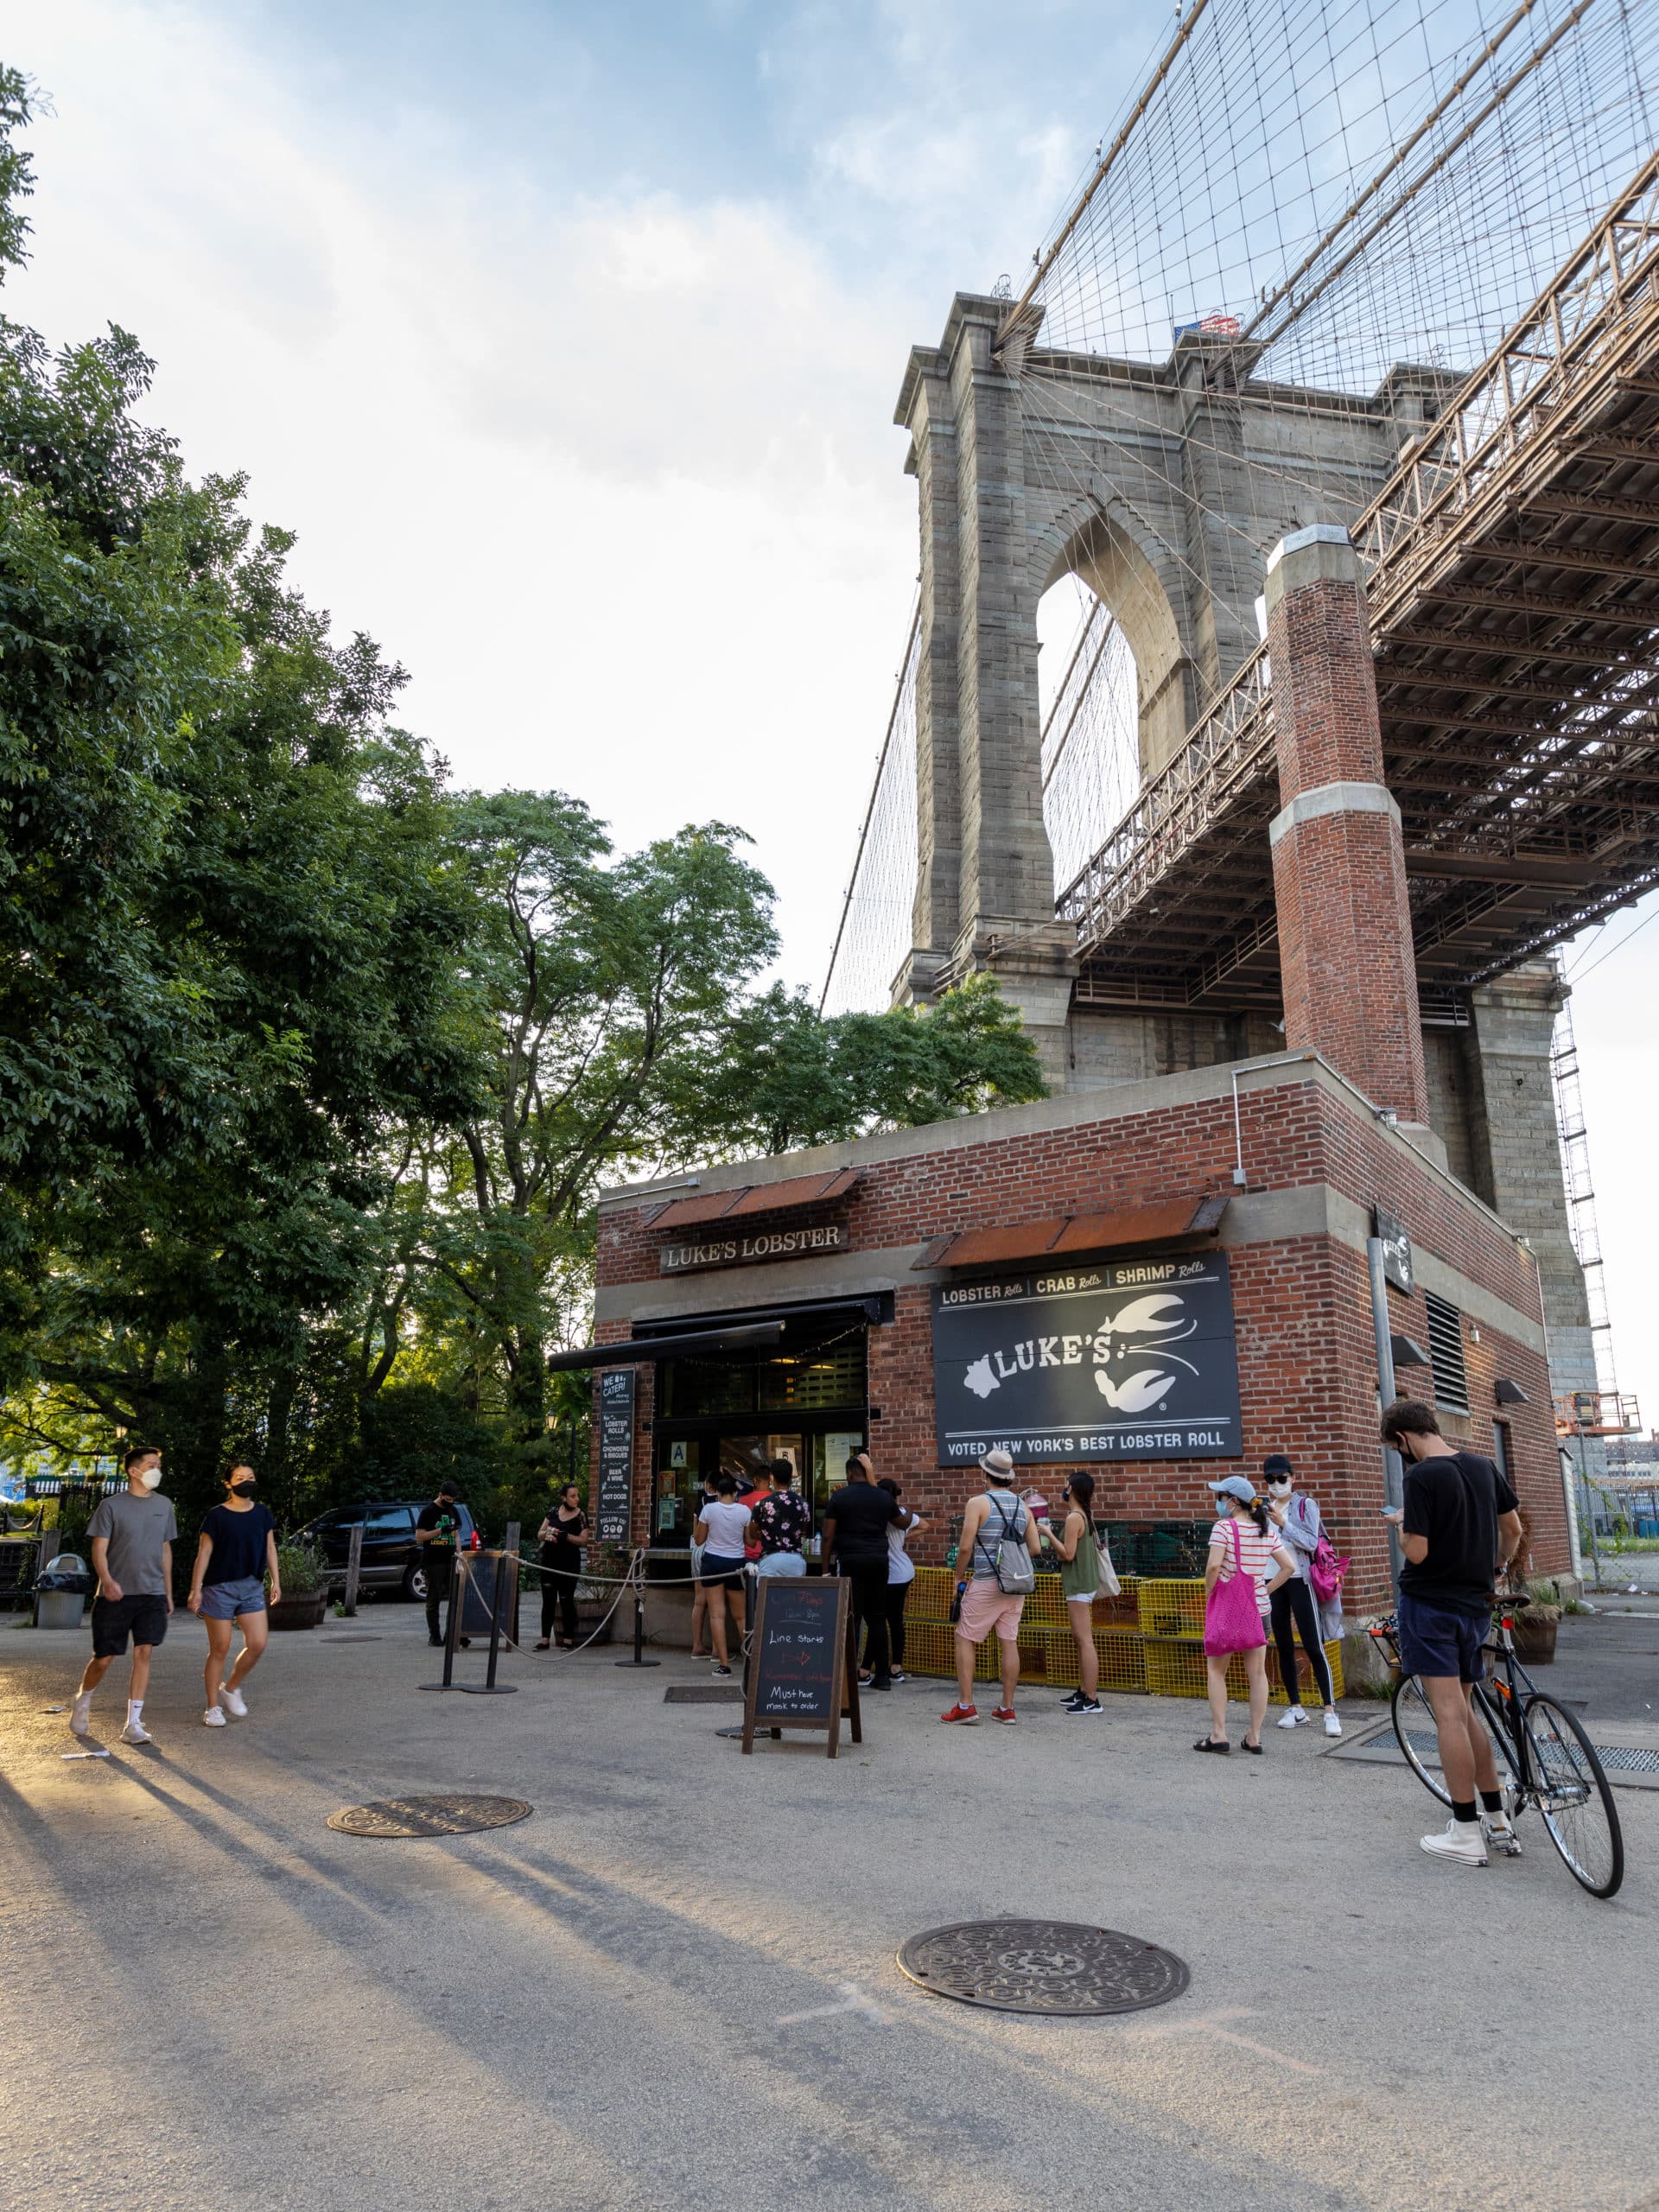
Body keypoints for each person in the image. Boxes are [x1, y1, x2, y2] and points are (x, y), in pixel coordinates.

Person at [1382, 1399, 1524, 1867]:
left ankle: (1465, 1832)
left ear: (1403, 1438)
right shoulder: (1484, 1465)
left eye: (1396, 1447)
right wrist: (1497, 1564)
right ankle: (1497, 1818)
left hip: (1430, 1607)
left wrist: (1403, 1529)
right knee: (1465, 1711)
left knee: (1448, 1715)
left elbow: (1418, 1553)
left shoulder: (1421, 1477)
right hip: (1475, 1606)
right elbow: (1512, 1527)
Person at [69, 1445, 175, 1746]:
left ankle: (133, 1724)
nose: (157, 1470)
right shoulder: (111, 1506)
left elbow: (165, 1548)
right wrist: (108, 1580)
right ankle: (83, 1698)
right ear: (134, 1470)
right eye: (151, 1465)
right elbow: (98, 1549)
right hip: (115, 1595)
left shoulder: (164, 1505)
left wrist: (168, 1591)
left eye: (158, 1464)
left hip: (152, 1593)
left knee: (145, 1653)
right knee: (104, 1658)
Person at [1195, 1475, 1296, 1755]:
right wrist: (1264, 1589)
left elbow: (1213, 1567)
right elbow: (1287, 1568)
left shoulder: (1223, 1528)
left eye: (1221, 1496)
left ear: (1233, 1501)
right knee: (1257, 1674)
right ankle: (1254, 1737)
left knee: (1217, 1671)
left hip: (1228, 1609)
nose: (1218, 1501)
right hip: (1259, 1610)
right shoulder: (1266, 1531)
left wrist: (1210, 1596)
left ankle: (1219, 1734)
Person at [942, 1449, 1042, 1726]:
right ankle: (1007, 1708)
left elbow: (964, 1547)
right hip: (1015, 1585)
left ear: (985, 1475)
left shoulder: (977, 1503)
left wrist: (959, 1577)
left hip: (986, 1581)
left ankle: (966, 1705)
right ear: (1008, 1477)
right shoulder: (1024, 1507)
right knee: (1009, 1642)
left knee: (965, 1638)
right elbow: (1034, 1547)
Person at [186, 1460, 279, 1727]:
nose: (246, 1481)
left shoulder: (262, 1513)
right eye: (239, 1477)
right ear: (229, 1483)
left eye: (250, 1476)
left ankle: (231, 1687)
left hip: (251, 1586)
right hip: (219, 1588)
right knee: (220, 1648)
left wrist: (276, 1581)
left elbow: (270, 1549)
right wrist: (196, 1590)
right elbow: (203, 1553)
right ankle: (212, 1707)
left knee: (258, 1643)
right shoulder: (217, 1516)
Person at [1262, 1452, 1343, 1738]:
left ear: (1293, 1478)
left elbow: (1311, 1541)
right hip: (1272, 1579)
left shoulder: (1304, 1505)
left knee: (1313, 1644)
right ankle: (1295, 1708)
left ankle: (1330, 1710)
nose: (1276, 1484)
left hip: (1300, 1579)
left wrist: (1283, 1524)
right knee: (1283, 1644)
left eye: (1281, 1478)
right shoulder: (1263, 1507)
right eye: (1270, 1480)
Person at [822, 1451, 901, 1693]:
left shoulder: (839, 1497)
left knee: (852, 1617)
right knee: (877, 1617)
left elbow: (827, 1536)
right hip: (879, 1560)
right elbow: (902, 1522)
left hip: (851, 1560)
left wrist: (825, 1570)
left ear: (848, 1473)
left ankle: (848, 1675)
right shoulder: (882, 1497)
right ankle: (883, 1676)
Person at [1044, 1471, 1119, 1717]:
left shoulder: (1074, 1517)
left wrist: (1047, 1534)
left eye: (1066, 1484)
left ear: (1072, 1489)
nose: (1063, 1488)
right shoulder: (1084, 1515)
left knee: (1085, 1640)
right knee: (1080, 1639)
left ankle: (1092, 1698)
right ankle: (1084, 1690)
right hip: (1082, 1584)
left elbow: (1067, 1554)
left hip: (1079, 1586)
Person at [692, 1474, 751, 1676]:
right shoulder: (744, 1511)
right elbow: (750, 1541)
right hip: (736, 1563)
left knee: (717, 1615)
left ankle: (724, 1665)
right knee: (741, 1616)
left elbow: (699, 1540)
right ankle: (752, 1662)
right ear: (735, 1493)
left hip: (712, 1562)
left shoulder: (709, 1509)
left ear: (717, 1493)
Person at [869, 1477, 923, 1683]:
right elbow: (925, 1525)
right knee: (896, 1620)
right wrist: (902, 1539)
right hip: (902, 1571)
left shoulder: (872, 1513)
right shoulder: (900, 1513)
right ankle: (896, 1667)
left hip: (881, 1573)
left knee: (877, 1621)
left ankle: (869, 1668)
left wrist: (902, 1538)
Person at [414, 1480, 469, 1649]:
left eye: (452, 1500)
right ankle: (434, 1635)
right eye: (447, 1499)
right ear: (440, 1495)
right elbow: (419, 1536)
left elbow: (457, 1535)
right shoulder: (428, 1511)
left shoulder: (453, 1510)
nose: (449, 1502)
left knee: (455, 1598)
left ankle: (451, 1634)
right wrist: (440, 1531)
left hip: (450, 1558)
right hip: (433, 1560)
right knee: (434, 1598)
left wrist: (459, 1554)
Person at [536, 1484, 587, 1649]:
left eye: (577, 1495)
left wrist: (567, 1536)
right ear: (563, 1498)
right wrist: (552, 1533)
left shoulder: (581, 1516)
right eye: (573, 1496)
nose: (576, 1499)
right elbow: (540, 1534)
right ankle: (544, 1640)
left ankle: (568, 1640)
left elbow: (583, 1540)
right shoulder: (552, 1512)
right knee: (548, 1602)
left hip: (569, 1564)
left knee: (566, 1600)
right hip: (549, 1563)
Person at [751, 1458, 810, 1579]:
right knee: (795, 1597)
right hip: (795, 1561)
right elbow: (804, 1530)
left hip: (770, 1560)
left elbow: (752, 1533)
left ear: (772, 1478)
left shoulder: (761, 1504)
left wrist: (767, 1535)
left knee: (767, 1596)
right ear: (791, 1478)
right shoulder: (802, 1503)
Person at [688, 1473, 720, 1658]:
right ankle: (717, 1650)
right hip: (716, 1551)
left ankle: (697, 1646)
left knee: (699, 1601)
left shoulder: (700, 1501)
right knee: (717, 1603)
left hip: (698, 1551)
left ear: (708, 1484)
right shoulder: (725, 1502)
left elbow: (695, 1531)